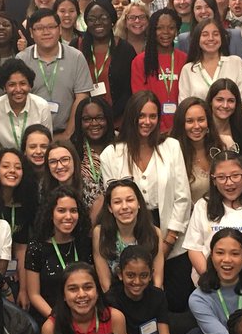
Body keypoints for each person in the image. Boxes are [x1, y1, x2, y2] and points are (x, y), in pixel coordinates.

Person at [99, 91, 192, 289]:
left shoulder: (171, 146)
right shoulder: (112, 153)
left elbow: (183, 197)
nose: (147, 121)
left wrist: (167, 243)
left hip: (169, 232)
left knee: (170, 298)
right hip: (128, 233)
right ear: (131, 117)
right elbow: (114, 202)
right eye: (141, 116)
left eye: (153, 116)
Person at [184, 150, 242, 275]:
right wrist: (212, 279)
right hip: (211, 285)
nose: (229, 183)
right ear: (213, 180)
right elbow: (194, 247)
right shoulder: (202, 206)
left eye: (235, 175)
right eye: (221, 177)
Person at [17, 8, 92, 139]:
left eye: (51, 27)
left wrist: (67, 134)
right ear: (31, 32)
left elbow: (82, 97)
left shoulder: (76, 57)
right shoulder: (22, 59)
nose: (46, 32)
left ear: (60, 29)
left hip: (68, 134)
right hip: (30, 136)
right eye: (39, 28)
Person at [25, 187, 94, 321]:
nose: (68, 216)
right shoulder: (36, 247)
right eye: (61, 211)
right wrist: (56, 320)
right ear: (51, 214)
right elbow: (34, 295)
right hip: (50, 319)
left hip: (84, 315)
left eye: (73, 211)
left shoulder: (85, 244)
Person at [91, 178, 163, 293]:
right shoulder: (100, 233)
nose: (124, 207)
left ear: (139, 203)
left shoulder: (154, 233)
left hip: (147, 296)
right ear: (110, 208)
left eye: (130, 200)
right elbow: (105, 283)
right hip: (114, 297)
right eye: (117, 202)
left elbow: (158, 282)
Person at [0, 149, 36, 306]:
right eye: (6, 166)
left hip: (13, 273)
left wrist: (24, 289)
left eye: (18, 167)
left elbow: (21, 249)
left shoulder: (24, 204)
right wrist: (5, 287)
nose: (12, 171)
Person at [131, 8, 186, 133]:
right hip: (151, 128)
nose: (165, 32)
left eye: (171, 28)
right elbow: (140, 100)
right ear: (152, 31)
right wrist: (159, 129)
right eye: (159, 28)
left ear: (177, 30)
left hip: (181, 129)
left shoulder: (184, 59)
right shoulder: (140, 61)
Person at [0, 58, 53, 158]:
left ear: (30, 85)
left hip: (36, 163)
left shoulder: (42, 106)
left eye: (23, 84)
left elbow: (46, 146)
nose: (18, 89)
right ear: (4, 87)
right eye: (12, 85)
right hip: (6, 166)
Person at [177, 19, 242, 107]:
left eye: (215, 34)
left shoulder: (236, 62)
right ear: (197, 39)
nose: (211, 38)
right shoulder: (188, 69)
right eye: (205, 35)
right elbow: (184, 105)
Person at [70, 96, 114, 217]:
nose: (94, 124)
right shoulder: (72, 148)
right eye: (87, 119)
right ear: (80, 122)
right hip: (81, 217)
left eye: (99, 118)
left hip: (116, 214)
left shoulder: (120, 146)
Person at [111, 1, 150, 121]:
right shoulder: (116, 46)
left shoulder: (153, 45)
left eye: (141, 17)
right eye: (132, 18)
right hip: (121, 109)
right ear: (125, 21)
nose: (137, 21)